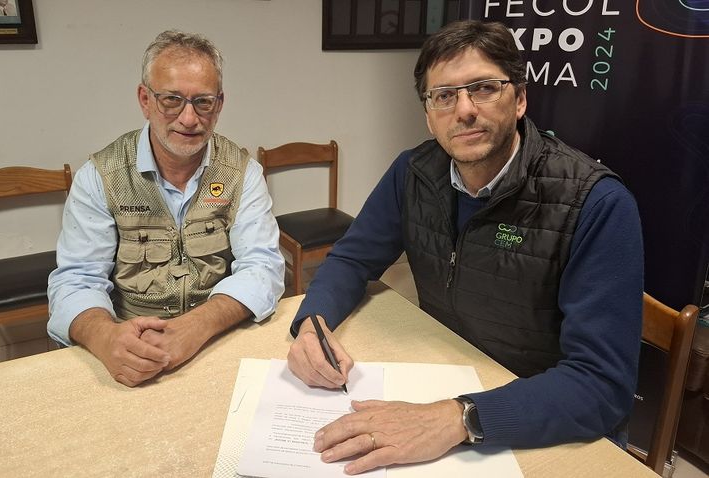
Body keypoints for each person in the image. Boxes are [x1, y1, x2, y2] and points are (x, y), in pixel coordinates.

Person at [286, 20, 643, 475]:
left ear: (520, 99)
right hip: (447, 372)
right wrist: (311, 321)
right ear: (428, 113)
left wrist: (460, 417)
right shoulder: (413, 172)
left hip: (542, 421)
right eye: (445, 95)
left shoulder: (597, 203)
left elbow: (603, 386)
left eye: (484, 88)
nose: (465, 109)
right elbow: (354, 257)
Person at [48, 31, 285, 388]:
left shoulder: (242, 172)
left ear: (219, 105)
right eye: (171, 100)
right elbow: (76, 279)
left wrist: (196, 326)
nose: (189, 119)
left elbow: (263, 267)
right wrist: (106, 337)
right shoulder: (100, 177)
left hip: (217, 341)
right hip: (130, 348)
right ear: (145, 99)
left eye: (203, 102)